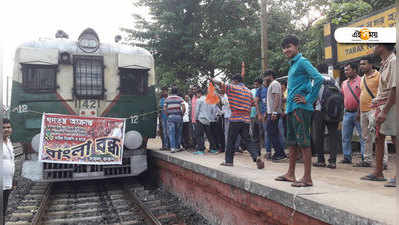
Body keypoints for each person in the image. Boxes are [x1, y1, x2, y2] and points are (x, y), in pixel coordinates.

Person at [275, 35, 323, 187]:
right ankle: (290, 174)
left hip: (301, 109)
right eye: (284, 48)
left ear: (296, 47)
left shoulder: (302, 62)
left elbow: (319, 78)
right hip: (291, 109)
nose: (286, 50)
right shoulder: (292, 65)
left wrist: (309, 99)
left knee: (303, 142)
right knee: (292, 142)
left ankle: (307, 178)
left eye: (288, 46)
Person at [361, 43, 396, 187]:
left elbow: (395, 88)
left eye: (375, 45)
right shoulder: (384, 63)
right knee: (379, 137)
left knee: (395, 138)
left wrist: (385, 111)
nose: (373, 48)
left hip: (391, 105)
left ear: (382, 46)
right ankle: (378, 171)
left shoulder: (394, 62)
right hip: (382, 103)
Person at [213, 75, 264, 169]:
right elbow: (253, 103)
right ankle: (256, 156)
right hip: (246, 119)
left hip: (235, 118)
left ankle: (228, 161)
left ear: (235, 81)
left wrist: (212, 80)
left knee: (230, 140)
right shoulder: (248, 91)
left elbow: (221, 84)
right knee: (248, 140)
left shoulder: (233, 87)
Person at [355, 56, 389, 168]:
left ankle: (383, 162)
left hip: (374, 109)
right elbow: (361, 95)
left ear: (370, 65)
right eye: (360, 64)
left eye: (364, 64)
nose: (361, 66)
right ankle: (367, 160)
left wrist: (381, 108)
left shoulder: (378, 75)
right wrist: (359, 112)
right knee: (366, 137)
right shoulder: (362, 78)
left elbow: (384, 91)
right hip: (363, 110)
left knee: (378, 136)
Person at [311, 64, 340, 169]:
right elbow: (339, 94)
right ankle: (332, 161)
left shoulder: (316, 79)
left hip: (319, 111)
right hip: (333, 111)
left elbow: (313, 96)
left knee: (318, 136)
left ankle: (321, 160)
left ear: (316, 70)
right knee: (333, 136)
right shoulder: (334, 80)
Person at [340, 63, 365, 164]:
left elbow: (362, 98)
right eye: (345, 70)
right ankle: (347, 157)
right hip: (347, 113)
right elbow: (343, 97)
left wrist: (359, 112)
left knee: (363, 137)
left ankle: (365, 157)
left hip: (359, 112)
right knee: (345, 136)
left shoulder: (361, 81)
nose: (346, 72)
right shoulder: (344, 83)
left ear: (354, 70)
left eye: (348, 70)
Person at [263, 70, 287, 161]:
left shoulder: (275, 84)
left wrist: (274, 112)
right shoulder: (272, 84)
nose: (264, 78)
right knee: (273, 133)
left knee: (272, 133)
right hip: (272, 112)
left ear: (270, 76)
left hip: (274, 113)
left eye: (266, 76)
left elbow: (277, 98)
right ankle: (280, 153)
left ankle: (280, 153)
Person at [194, 89, 218, 154]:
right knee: (209, 135)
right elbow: (212, 110)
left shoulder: (199, 100)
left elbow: (197, 110)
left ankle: (200, 150)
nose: (196, 95)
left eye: (196, 94)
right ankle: (213, 149)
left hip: (201, 119)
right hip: (208, 119)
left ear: (199, 93)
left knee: (199, 135)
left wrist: (195, 118)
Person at [164, 87, 186, 153]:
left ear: (171, 92)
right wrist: (182, 114)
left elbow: (165, 108)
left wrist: (167, 114)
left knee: (171, 133)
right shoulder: (180, 98)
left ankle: (172, 148)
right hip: (178, 117)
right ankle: (177, 147)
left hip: (170, 117)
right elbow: (184, 108)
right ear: (177, 92)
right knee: (178, 133)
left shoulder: (167, 99)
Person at [255, 77, 272, 159]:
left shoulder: (270, 87)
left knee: (268, 133)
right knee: (263, 133)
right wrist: (259, 114)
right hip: (263, 115)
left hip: (270, 114)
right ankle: (265, 152)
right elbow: (256, 102)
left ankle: (269, 152)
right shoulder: (259, 90)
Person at [3, 118, 15, 223]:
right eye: (3, 128)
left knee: (3, 209)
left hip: (7, 183)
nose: (7, 129)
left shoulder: (9, 141)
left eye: (8, 127)